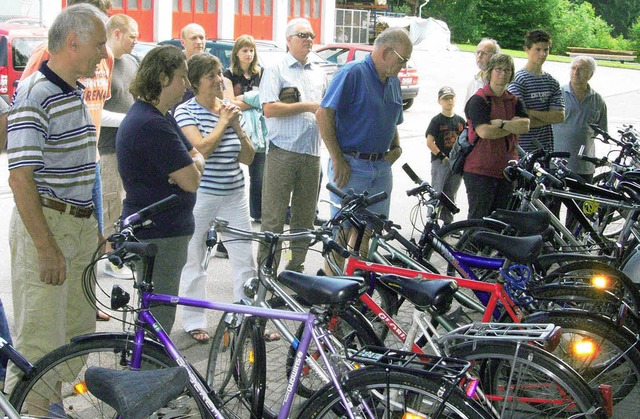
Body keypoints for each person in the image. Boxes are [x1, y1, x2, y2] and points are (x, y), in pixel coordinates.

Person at [4, 4, 108, 403]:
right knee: (40, 341)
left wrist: (93, 227)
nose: (102, 53)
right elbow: (19, 178)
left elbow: (81, 168)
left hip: (76, 226)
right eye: (98, 44)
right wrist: (46, 248)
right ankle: (27, 409)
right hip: (48, 226)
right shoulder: (37, 92)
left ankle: (47, 404)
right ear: (73, 41)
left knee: (74, 334)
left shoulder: (71, 91)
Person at [117, 45, 204, 335]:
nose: (187, 85)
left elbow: (197, 158)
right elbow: (192, 180)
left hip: (165, 232)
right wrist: (189, 168)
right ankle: (151, 376)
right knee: (158, 321)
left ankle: (148, 372)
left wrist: (190, 166)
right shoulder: (152, 123)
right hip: (160, 235)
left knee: (155, 315)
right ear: (164, 78)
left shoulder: (160, 117)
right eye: (182, 77)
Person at [175, 53, 256, 343]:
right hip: (202, 195)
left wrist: (235, 126)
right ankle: (195, 320)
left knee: (244, 257)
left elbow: (248, 157)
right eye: (211, 75)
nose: (219, 79)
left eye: (219, 73)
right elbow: (200, 150)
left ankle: (246, 317)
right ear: (196, 82)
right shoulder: (186, 112)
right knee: (194, 259)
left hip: (234, 193)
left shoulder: (231, 111)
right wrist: (223, 122)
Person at [316, 27, 408, 270]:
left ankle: (355, 293)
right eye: (403, 59)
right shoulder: (352, 73)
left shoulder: (393, 82)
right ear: (386, 52)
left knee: (368, 232)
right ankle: (333, 295)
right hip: (350, 166)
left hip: (380, 168)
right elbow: (323, 113)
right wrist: (337, 158)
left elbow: (393, 116)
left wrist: (396, 147)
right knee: (343, 235)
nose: (404, 66)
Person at [257, 18, 327, 273]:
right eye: (302, 35)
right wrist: (308, 106)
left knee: (304, 219)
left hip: (312, 154)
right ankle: (266, 274)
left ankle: (295, 271)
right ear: (288, 40)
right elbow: (269, 109)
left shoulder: (319, 71)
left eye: (311, 35)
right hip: (282, 152)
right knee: (274, 219)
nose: (309, 39)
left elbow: (327, 111)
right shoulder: (276, 69)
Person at [464, 53, 530, 220]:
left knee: (499, 220)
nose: (502, 73)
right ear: (490, 72)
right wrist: (512, 126)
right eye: (498, 69)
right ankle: (470, 247)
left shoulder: (514, 100)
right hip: (480, 171)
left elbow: (525, 125)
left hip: (506, 171)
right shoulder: (479, 100)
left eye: (507, 70)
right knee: (478, 220)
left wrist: (500, 123)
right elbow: (484, 132)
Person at [99, 14, 139, 278]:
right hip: (107, 148)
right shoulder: (101, 63)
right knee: (110, 204)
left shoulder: (132, 62)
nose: (136, 41)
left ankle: (121, 253)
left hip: (130, 148)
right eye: (131, 36)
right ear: (115, 33)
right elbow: (95, 111)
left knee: (127, 205)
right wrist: (130, 120)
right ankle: (111, 259)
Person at [223, 35, 265, 223]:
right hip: (236, 126)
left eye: (251, 50)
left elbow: (265, 100)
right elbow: (230, 102)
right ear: (236, 53)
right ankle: (229, 216)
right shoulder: (229, 74)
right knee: (232, 172)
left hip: (259, 130)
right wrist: (253, 101)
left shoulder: (261, 72)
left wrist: (245, 100)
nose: (248, 54)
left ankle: (257, 212)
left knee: (258, 176)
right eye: (244, 50)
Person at [552, 56, 607, 184]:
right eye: (573, 68)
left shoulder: (597, 100)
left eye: (581, 69)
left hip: (584, 167)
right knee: (550, 203)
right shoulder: (558, 94)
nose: (575, 73)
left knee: (581, 203)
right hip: (556, 165)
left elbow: (600, 130)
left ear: (590, 74)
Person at [507, 29, 564, 152]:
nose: (542, 54)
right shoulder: (518, 80)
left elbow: (559, 116)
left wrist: (531, 112)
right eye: (538, 49)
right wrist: (546, 119)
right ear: (527, 50)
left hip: (546, 148)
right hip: (522, 149)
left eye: (546, 50)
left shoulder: (552, 82)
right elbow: (519, 120)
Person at [426, 86, 465, 226]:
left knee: (451, 193)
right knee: (437, 191)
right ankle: (432, 221)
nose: (449, 101)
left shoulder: (460, 121)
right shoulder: (436, 121)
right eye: (445, 99)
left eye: (451, 98)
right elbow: (430, 142)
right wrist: (442, 157)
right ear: (439, 101)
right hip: (440, 162)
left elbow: (466, 141)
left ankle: (447, 223)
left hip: (456, 164)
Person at [465, 38, 500, 103]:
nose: (479, 56)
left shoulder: (501, 82)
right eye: (478, 52)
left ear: (495, 57)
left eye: (484, 53)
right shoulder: (474, 82)